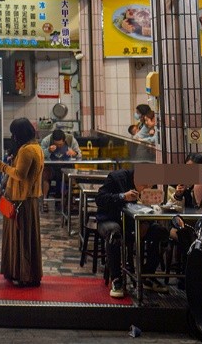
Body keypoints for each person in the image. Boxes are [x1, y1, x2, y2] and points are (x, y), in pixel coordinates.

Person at [96, 168, 167, 299]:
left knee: (161, 232)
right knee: (114, 232)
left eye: (149, 185)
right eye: (144, 185)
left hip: (136, 222)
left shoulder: (151, 186)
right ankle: (117, 279)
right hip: (110, 219)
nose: (146, 188)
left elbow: (153, 207)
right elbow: (99, 199)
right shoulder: (117, 178)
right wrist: (122, 196)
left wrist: (148, 222)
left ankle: (148, 275)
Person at [0, 118, 44, 287]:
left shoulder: (27, 151)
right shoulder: (36, 147)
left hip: (21, 200)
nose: (13, 137)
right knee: (24, 238)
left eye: (14, 133)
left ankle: (22, 273)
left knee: (20, 239)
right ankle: (21, 272)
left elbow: (20, 175)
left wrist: (2, 167)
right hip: (27, 199)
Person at [39, 128, 80, 209]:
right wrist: (48, 151)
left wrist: (74, 153)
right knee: (45, 175)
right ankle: (45, 201)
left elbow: (79, 155)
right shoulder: (46, 141)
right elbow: (40, 155)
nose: (59, 147)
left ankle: (69, 201)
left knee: (72, 177)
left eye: (60, 145)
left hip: (66, 167)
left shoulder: (71, 140)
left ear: (64, 140)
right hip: (51, 167)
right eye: (56, 145)